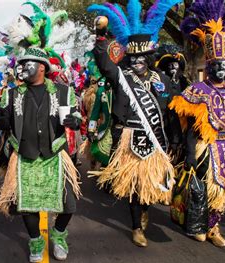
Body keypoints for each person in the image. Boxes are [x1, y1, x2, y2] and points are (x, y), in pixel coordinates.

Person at [87, 0, 182, 247]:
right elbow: (105, 63)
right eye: (133, 58)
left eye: (141, 58)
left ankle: (145, 209)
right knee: (134, 185)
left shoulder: (161, 78)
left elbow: (170, 110)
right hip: (130, 138)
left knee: (150, 184)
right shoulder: (121, 77)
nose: (137, 62)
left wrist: (175, 138)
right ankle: (136, 226)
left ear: (148, 58)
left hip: (157, 139)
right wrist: (100, 37)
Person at [0, 3, 81, 263]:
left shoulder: (64, 92)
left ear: (42, 67)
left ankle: (59, 234)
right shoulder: (11, 94)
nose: (22, 67)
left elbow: (72, 116)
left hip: (56, 154)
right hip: (24, 156)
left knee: (69, 205)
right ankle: (34, 242)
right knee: (26, 206)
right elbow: (5, 123)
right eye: (21, 63)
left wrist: (74, 120)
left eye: (27, 63)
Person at [170, 0, 225, 247]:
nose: (221, 70)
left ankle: (214, 227)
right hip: (207, 148)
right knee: (201, 189)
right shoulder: (198, 90)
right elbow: (191, 124)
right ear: (209, 66)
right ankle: (197, 225)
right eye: (216, 66)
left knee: (224, 192)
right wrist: (190, 153)